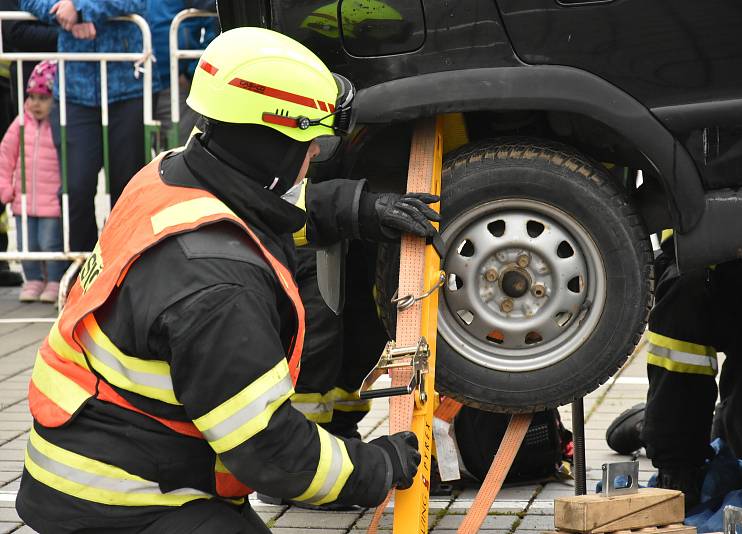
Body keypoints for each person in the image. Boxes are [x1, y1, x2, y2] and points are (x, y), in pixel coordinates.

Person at [15, 27, 439, 533]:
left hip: (97, 466)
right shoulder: (218, 290)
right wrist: (377, 466)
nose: (313, 159)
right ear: (274, 146)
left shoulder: (168, 177)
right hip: (125, 500)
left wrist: (359, 209)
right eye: (312, 144)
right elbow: (272, 453)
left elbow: (265, 212)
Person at [605, 235, 742, 510]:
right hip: (739, 282)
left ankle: (683, 425)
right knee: (686, 288)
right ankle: (676, 459)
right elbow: (682, 234)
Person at [21, 0, 159, 253]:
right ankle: (81, 271)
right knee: (76, 188)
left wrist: (82, 7)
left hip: (129, 86)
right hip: (73, 91)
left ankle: (126, 268)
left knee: (127, 187)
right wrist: (64, 13)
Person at [0, 60, 65, 302]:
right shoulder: (20, 124)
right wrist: (5, 188)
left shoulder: (59, 125)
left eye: (44, 98)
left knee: (50, 243)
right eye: (32, 96)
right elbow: (5, 156)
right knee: (27, 243)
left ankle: (54, 280)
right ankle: (34, 279)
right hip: (23, 199)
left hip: (51, 200)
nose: (36, 103)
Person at [148, 0, 218, 149]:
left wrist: (190, 73)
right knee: (138, 154)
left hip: (175, 85)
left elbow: (214, 26)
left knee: (180, 148)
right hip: (136, 85)